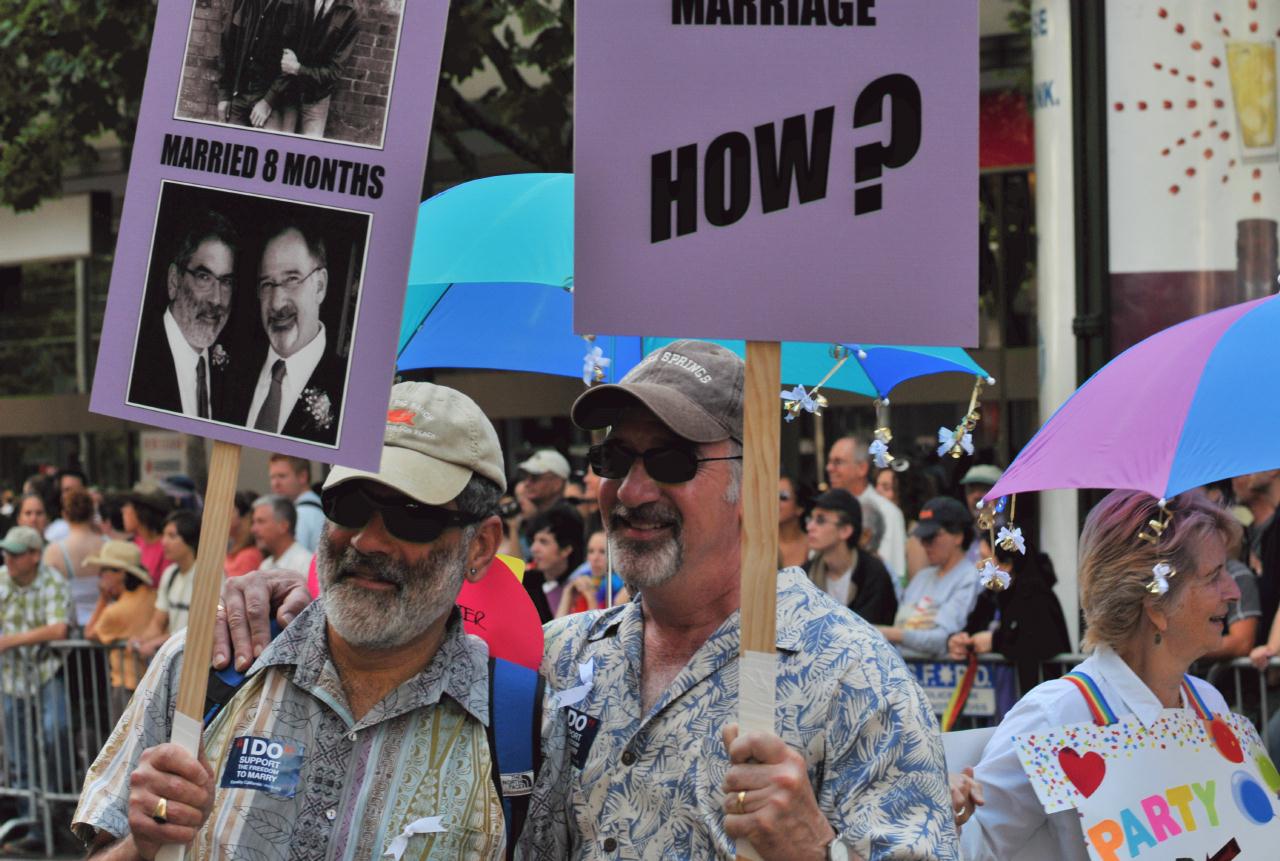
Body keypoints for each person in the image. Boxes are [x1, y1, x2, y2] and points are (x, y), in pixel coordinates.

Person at [524, 340, 956, 859]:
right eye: (613, 458)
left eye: (671, 460)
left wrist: (814, 851)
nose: (632, 491)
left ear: (751, 485)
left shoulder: (855, 677)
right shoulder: (557, 657)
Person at [73, 381, 512, 859]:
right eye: (351, 505)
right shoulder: (202, 666)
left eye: (411, 515)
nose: (368, 541)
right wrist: (144, 841)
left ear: (482, 545)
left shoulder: (524, 726)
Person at [958, 490, 1242, 861]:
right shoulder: (1057, 717)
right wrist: (947, 811)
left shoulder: (1209, 703)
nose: (1233, 591)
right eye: (1214, 575)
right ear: (1156, 604)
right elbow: (972, 847)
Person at [128, 212, 240, 421]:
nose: (216, 299)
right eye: (204, 277)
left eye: (226, 282)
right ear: (173, 281)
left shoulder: (236, 377)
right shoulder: (133, 367)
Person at [239, 222, 345, 444]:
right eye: (267, 284)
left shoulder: (350, 389)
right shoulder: (233, 372)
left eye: (292, 279)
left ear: (320, 286)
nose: (277, 303)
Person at [0, 526, 71, 830]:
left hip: (45, 673)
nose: (9, 559)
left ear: (34, 555)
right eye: (7, 552)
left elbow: (58, 630)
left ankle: (58, 808)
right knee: (17, 754)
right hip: (10, 678)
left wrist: (10, 641)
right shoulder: (2, 578)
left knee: (56, 731)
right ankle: (32, 824)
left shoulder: (52, 580)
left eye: (16, 554)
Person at [947, 536, 1070, 696]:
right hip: (996, 697)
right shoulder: (990, 596)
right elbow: (971, 627)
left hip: (1033, 697)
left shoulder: (1037, 596)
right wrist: (958, 640)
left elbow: (1037, 642)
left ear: (1006, 565)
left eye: (985, 559)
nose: (979, 565)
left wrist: (994, 641)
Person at [879, 496, 980, 660]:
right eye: (922, 538)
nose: (925, 545)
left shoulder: (970, 578)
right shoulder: (921, 577)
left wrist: (890, 633)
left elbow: (943, 639)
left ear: (958, 536)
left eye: (931, 537)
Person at [802, 489, 898, 625]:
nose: (810, 526)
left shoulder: (873, 574)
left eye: (820, 520)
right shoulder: (805, 574)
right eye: (810, 518)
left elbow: (871, 634)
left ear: (845, 531)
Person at [82, 541, 156, 713]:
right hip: (153, 681)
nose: (100, 576)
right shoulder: (153, 596)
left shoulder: (115, 611)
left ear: (121, 573)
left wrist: (102, 599)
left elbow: (89, 632)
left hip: (126, 684)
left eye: (104, 570)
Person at [826, 435, 907, 580]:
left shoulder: (888, 513)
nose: (829, 468)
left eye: (838, 462)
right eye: (830, 462)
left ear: (862, 468)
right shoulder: (825, 510)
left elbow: (893, 573)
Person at [280, 0, 361, 137]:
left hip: (317, 96)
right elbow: (282, 37)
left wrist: (298, 69)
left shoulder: (350, 11)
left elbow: (335, 71)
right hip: (288, 88)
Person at [216, 0, 299, 129]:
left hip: (271, 99)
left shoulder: (294, 5)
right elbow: (227, 46)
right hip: (239, 96)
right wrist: (224, 94)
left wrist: (268, 101)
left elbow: (292, 63)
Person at [130, 510, 201, 660]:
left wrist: (158, 642)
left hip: (198, 660)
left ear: (190, 540)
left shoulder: (207, 576)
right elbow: (158, 621)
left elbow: (202, 628)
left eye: (172, 536)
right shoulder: (170, 573)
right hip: (175, 657)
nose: (164, 542)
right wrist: (141, 639)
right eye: (164, 535)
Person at [42, 487, 105, 630]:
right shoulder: (108, 545)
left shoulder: (54, 551)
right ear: (91, 513)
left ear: (65, 514)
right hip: (105, 625)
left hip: (71, 626)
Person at [522, 503, 585, 624]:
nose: (534, 549)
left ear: (566, 550)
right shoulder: (528, 583)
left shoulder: (580, 586)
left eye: (543, 542)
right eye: (534, 541)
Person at [558, 530, 629, 617]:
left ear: (617, 555)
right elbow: (557, 627)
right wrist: (567, 593)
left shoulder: (623, 588)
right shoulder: (584, 578)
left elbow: (598, 629)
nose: (595, 558)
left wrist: (591, 598)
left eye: (602, 552)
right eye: (591, 551)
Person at [267, 453, 324, 551]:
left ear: (303, 476)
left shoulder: (301, 514)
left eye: (282, 476)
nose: (275, 483)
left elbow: (293, 560)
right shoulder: (320, 507)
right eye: (272, 477)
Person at [122, 483, 172, 587]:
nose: (123, 510)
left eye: (128, 505)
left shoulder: (167, 547)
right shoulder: (133, 543)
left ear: (141, 512)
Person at [251, 494, 314, 574]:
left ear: (283, 526)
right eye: (253, 522)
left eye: (261, 521)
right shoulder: (265, 565)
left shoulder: (306, 564)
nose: (253, 529)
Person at [224, 490, 264, 578]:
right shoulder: (232, 551)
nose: (223, 516)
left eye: (230, 510)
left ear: (245, 517)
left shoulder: (250, 555)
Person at [44, 467, 89, 542]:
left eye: (77, 490)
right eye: (67, 490)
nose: (73, 495)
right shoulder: (54, 531)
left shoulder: (99, 525)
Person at [777, 474, 809, 569]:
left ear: (800, 507)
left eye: (783, 496)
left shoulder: (814, 546)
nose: (774, 501)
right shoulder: (760, 544)